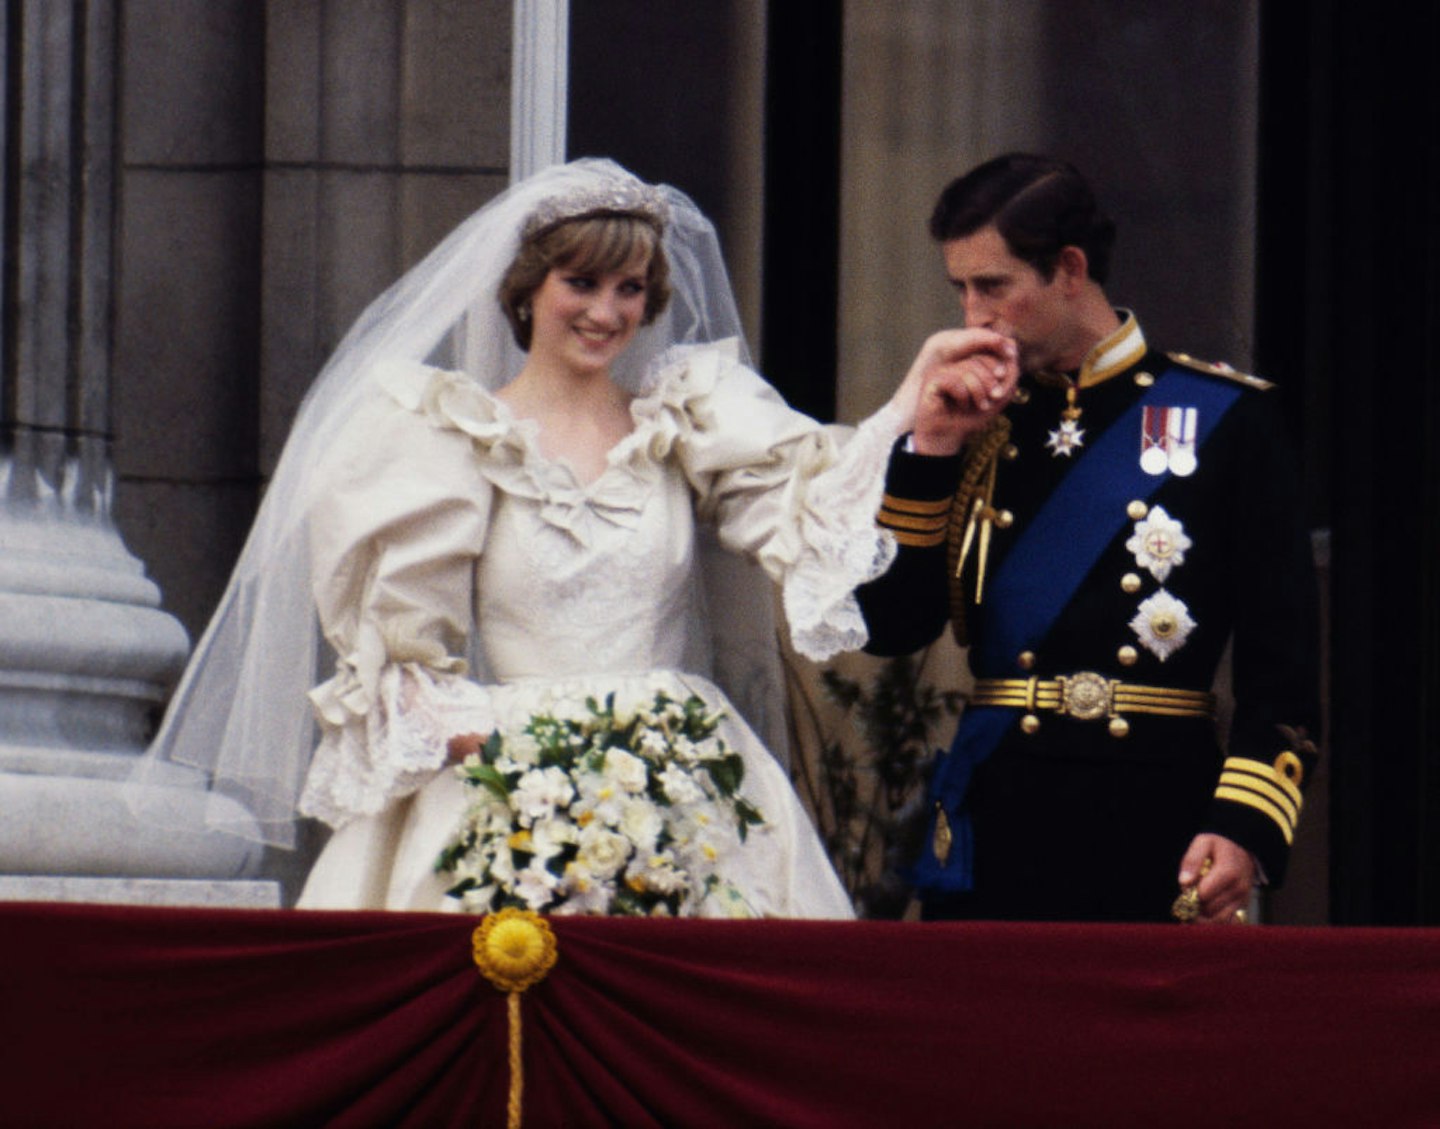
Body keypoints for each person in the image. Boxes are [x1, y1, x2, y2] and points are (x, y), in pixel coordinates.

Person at [131, 158, 1012, 918]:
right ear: (526, 291)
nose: (607, 311)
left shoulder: (686, 420)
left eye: (630, 289)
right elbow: (405, 667)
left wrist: (909, 414)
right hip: (510, 782)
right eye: (581, 284)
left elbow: (813, 509)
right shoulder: (446, 437)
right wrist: (543, 772)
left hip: (688, 782)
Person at [856, 153, 1321, 924]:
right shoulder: (969, 421)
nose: (972, 315)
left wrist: (1243, 824)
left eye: (993, 286)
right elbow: (888, 626)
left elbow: (1286, 665)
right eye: (961, 289)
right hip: (998, 818)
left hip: (1156, 815)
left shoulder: (1228, 420)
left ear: (1069, 269)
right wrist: (929, 452)